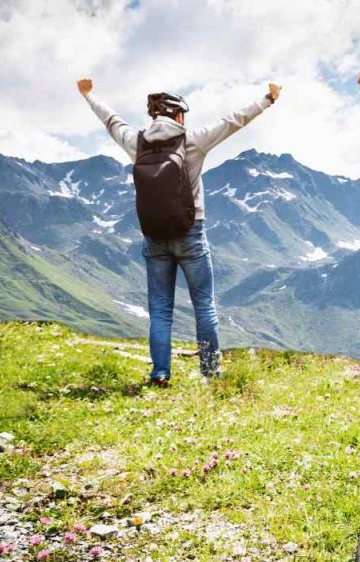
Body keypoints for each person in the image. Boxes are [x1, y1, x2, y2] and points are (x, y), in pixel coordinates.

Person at [77, 78, 281, 386]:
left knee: (160, 309)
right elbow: (234, 122)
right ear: (178, 115)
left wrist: (89, 95)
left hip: (154, 236)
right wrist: (268, 99)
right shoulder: (192, 140)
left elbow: (111, 120)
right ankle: (210, 375)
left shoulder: (137, 141)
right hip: (191, 232)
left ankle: (160, 374)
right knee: (204, 305)